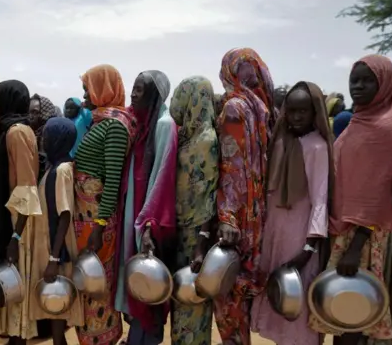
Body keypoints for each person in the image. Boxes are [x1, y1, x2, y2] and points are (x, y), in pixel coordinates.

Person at [309, 55, 392, 344]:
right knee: (343, 311)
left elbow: (378, 193)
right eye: (354, 80)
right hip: (344, 229)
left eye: (367, 80)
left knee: (355, 310)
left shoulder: (386, 129)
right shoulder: (359, 121)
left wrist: (356, 244)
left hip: (366, 234)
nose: (358, 86)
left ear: (384, 83)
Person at [250, 81, 332, 345]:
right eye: (292, 111)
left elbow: (320, 198)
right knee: (278, 296)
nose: (296, 117)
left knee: (297, 297)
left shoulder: (317, 147)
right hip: (276, 231)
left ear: (314, 113)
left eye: (303, 111)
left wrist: (309, 247)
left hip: (301, 235)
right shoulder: (281, 140)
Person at [215, 48, 276, 345]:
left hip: (236, 218)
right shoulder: (264, 109)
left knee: (229, 300)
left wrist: (226, 216)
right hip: (259, 216)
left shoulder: (234, 109)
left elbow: (231, 166)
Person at [113, 70, 175, 345]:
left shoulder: (163, 125)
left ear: (154, 95)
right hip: (132, 213)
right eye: (133, 87)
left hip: (148, 220)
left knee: (148, 284)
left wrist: (148, 224)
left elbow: (162, 177)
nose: (133, 94)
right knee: (134, 283)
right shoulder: (138, 124)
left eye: (140, 89)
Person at [74, 64, 134, 345]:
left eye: (88, 88)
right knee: (88, 281)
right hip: (86, 217)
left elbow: (111, 180)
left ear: (103, 88)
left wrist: (99, 226)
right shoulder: (100, 121)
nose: (84, 94)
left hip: (97, 220)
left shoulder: (115, 126)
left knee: (96, 284)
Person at [168, 76, 219, 345]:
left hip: (195, 236)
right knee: (181, 301)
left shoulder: (205, 140)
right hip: (179, 230)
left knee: (193, 302)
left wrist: (201, 243)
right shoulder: (186, 135)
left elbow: (209, 197)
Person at [0, 80, 41, 344]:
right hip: (12, 218)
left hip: (18, 222)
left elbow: (26, 188)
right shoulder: (10, 129)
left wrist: (15, 237)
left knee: (16, 286)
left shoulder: (17, 132)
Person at [29, 117, 83, 345]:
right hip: (49, 243)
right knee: (53, 303)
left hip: (56, 247)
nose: (43, 139)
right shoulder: (55, 165)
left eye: (47, 135)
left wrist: (53, 257)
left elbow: (65, 214)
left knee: (58, 302)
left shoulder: (61, 170)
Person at [30, 94, 60, 181]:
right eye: (29, 112)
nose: (30, 116)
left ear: (45, 112)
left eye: (35, 112)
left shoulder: (49, 133)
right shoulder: (31, 130)